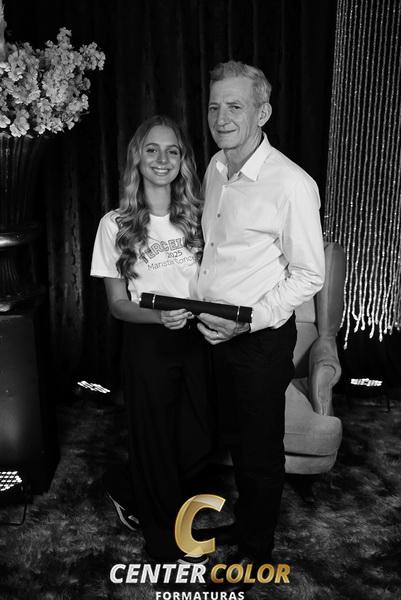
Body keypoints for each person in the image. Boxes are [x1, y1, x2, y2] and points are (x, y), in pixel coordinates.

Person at [195, 61, 325, 580]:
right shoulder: (215, 167)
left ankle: (257, 550)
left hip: (258, 338)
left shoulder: (291, 184)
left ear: (263, 113)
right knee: (230, 436)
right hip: (212, 331)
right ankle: (246, 522)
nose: (221, 118)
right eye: (215, 106)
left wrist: (248, 321)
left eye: (235, 106)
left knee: (259, 449)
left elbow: (309, 274)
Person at [90, 115, 212, 563]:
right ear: (137, 158)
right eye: (152, 150)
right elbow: (117, 305)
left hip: (199, 338)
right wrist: (159, 316)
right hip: (148, 343)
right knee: (156, 441)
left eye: (172, 150)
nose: (163, 159)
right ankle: (165, 541)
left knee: (200, 440)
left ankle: (123, 484)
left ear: (183, 161)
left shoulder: (200, 217)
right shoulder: (115, 224)